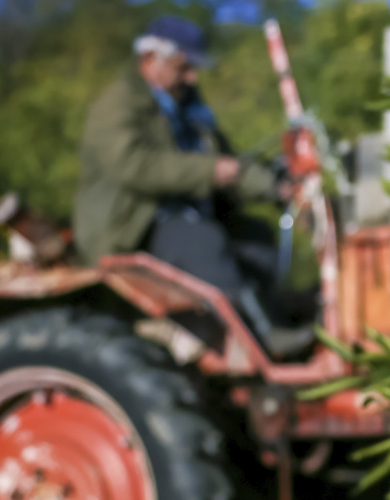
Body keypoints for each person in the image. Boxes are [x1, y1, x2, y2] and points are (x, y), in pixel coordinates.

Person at [74, 15, 313, 356]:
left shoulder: (190, 106)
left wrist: (275, 188)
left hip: (188, 217)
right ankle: (258, 342)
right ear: (149, 60)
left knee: (257, 238)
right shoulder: (116, 105)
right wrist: (208, 171)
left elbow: (229, 164)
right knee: (204, 242)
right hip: (132, 228)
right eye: (183, 67)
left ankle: (277, 325)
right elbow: (134, 165)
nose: (192, 76)